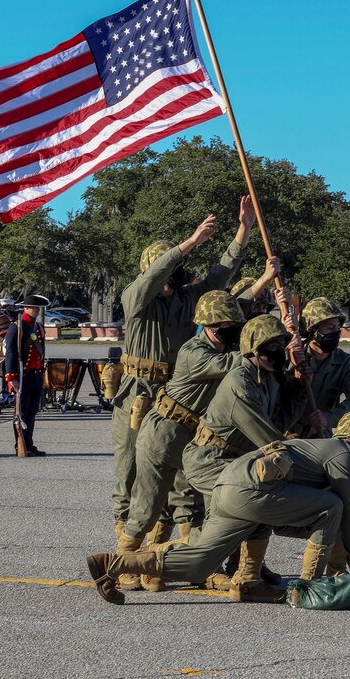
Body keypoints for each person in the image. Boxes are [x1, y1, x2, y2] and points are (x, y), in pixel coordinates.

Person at [86, 409, 350, 606]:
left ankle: (111, 564)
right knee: (331, 506)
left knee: (200, 563)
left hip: (230, 487)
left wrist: (342, 569)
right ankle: (308, 588)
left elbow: (325, 526)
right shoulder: (342, 453)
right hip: (252, 490)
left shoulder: (318, 448)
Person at [109, 198, 255, 579]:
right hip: (137, 396)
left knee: (184, 481)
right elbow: (153, 277)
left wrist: (244, 229)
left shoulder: (187, 300)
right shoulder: (136, 301)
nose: (173, 277)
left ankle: (176, 558)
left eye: (177, 270)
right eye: (168, 270)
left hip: (181, 395)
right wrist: (189, 242)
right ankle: (124, 556)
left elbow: (220, 277)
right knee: (130, 474)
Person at [118, 288, 251, 592]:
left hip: (193, 441)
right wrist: (263, 347)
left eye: (235, 327)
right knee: (147, 508)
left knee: (194, 506)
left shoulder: (218, 347)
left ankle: (202, 567)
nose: (231, 332)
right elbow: (235, 364)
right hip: (162, 435)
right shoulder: (194, 352)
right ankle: (123, 563)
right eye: (225, 328)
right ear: (207, 327)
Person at [180, 313, 307, 601]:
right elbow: (267, 439)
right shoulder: (240, 383)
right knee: (240, 507)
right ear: (252, 348)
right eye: (270, 346)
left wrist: (298, 388)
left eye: (280, 345)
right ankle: (149, 561)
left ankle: (246, 572)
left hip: (237, 460)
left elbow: (279, 421)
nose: (278, 352)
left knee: (256, 501)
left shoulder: (268, 379)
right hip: (210, 459)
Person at [290, 297, 350, 439]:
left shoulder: (346, 363)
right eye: (330, 328)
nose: (336, 333)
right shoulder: (294, 358)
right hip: (288, 435)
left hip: (322, 435)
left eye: (338, 328)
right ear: (312, 330)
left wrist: (329, 418)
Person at [4, 295, 49, 456]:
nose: (37, 311)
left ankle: (29, 444)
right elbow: (10, 354)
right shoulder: (17, 327)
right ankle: (20, 444)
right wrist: (11, 377)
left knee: (31, 411)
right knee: (21, 412)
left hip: (35, 375)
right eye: (35, 308)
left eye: (38, 308)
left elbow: (41, 353)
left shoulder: (39, 327)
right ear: (26, 308)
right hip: (23, 375)